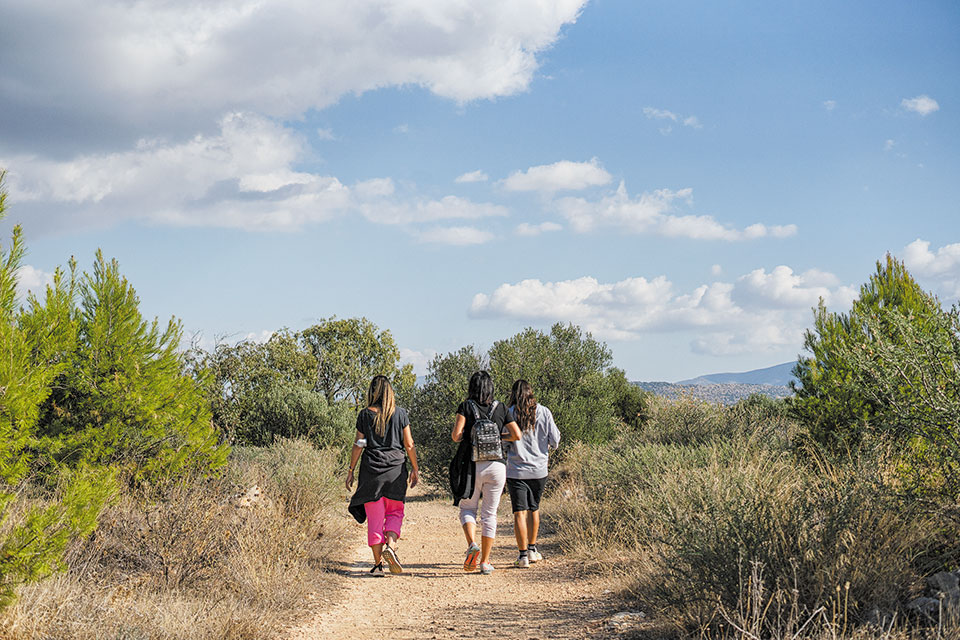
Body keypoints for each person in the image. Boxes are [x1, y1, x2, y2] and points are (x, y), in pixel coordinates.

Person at [346, 375, 420, 577]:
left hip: (372, 473)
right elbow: (409, 444)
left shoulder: (364, 415)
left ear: (372, 392)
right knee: (395, 512)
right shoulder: (401, 414)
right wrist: (415, 467)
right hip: (396, 471)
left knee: (375, 520)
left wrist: (351, 470)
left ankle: (378, 565)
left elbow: (358, 444)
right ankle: (391, 545)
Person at [452, 371, 521, 575]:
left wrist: (470, 435)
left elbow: (456, 436)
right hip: (496, 466)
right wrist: (498, 435)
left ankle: (472, 544)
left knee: (468, 508)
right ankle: (485, 562)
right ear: (490, 387)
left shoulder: (465, 406)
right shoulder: (500, 407)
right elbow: (516, 435)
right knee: (490, 514)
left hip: (472, 466)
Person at [505, 379, 560, 568]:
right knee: (534, 509)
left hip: (516, 470)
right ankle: (532, 549)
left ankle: (522, 557)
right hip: (539, 470)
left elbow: (505, 442)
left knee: (519, 512)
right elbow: (555, 440)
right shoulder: (544, 412)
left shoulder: (509, 413)